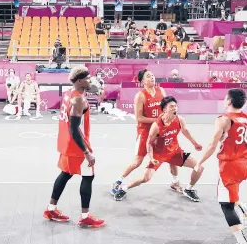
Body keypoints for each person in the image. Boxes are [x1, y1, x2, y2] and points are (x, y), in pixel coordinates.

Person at [44, 65, 104, 228]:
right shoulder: (79, 99)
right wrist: (86, 152)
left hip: (66, 143)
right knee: (88, 176)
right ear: (79, 81)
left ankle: (51, 209)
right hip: (77, 145)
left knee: (65, 174)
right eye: (87, 78)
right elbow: (74, 128)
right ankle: (85, 216)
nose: (90, 80)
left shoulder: (68, 94)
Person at [113, 96, 204, 202]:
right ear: (165, 109)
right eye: (171, 106)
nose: (175, 108)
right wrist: (151, 158)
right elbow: (149, 143)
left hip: (175, 151)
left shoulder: (180, 120)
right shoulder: (156, 125)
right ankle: (124, 188)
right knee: (145, 178)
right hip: (159, 155)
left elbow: (185, 131)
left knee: (199, 167)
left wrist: (195, 144)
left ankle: (187, 188)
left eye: (175, 106)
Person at [111, 70, 184, 196]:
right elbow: (139, 118)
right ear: (142, 81)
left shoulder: (161, 91)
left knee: (172, 156)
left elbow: (166, 110)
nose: (152, 78)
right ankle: (118, 180)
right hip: (145, 132)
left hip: (161, 133)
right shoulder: (140, 96)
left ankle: (175, 182)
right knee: (137, 161)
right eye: (148, 76)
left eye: (152, 75)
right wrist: (157, 121)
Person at [195, 89, 247, 244]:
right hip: (243, 164)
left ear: (229, 101)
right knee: (233, 197)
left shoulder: (224, 119)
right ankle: (244, 214)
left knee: (226, 205)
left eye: (226, 98)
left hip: (229, 166)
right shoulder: (245, 119)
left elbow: (212, 145)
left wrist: (199, 162)